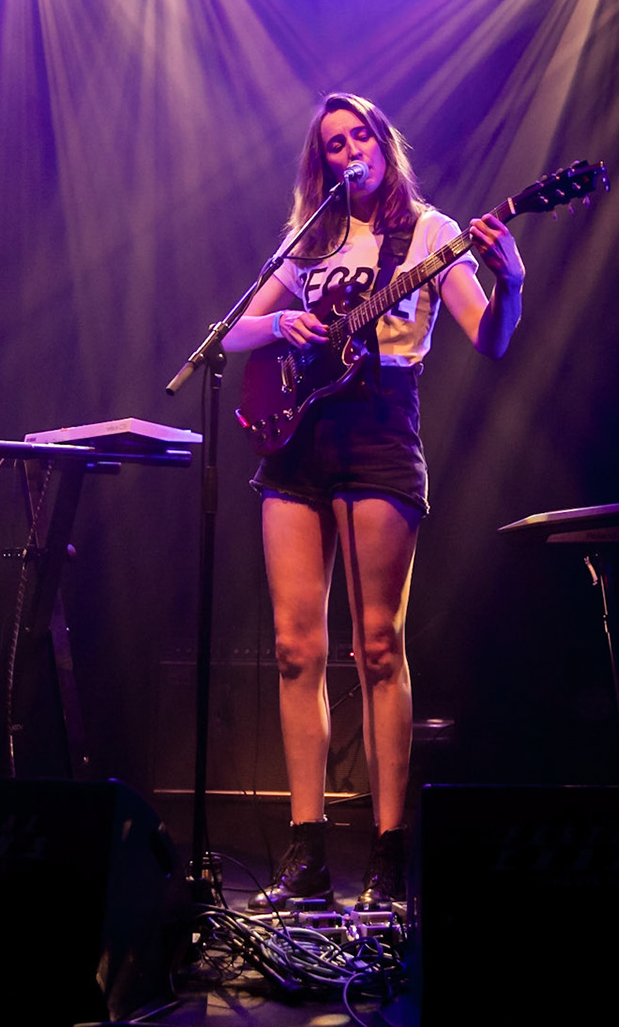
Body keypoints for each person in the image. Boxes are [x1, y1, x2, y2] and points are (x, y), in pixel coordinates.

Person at [221, 92, 525, 910]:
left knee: (378, 647)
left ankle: (390, 849)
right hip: (297, 442)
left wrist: (514, 283)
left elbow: (487, 338)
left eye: (360, 137)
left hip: (381, 430)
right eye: (332, 144)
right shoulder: (309, 236)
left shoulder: (428, 232)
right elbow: (232, 337)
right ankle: (307, 847)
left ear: (383, 146)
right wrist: (284, 323)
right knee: (295, 649)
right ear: (318, 162)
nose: (348, 151)